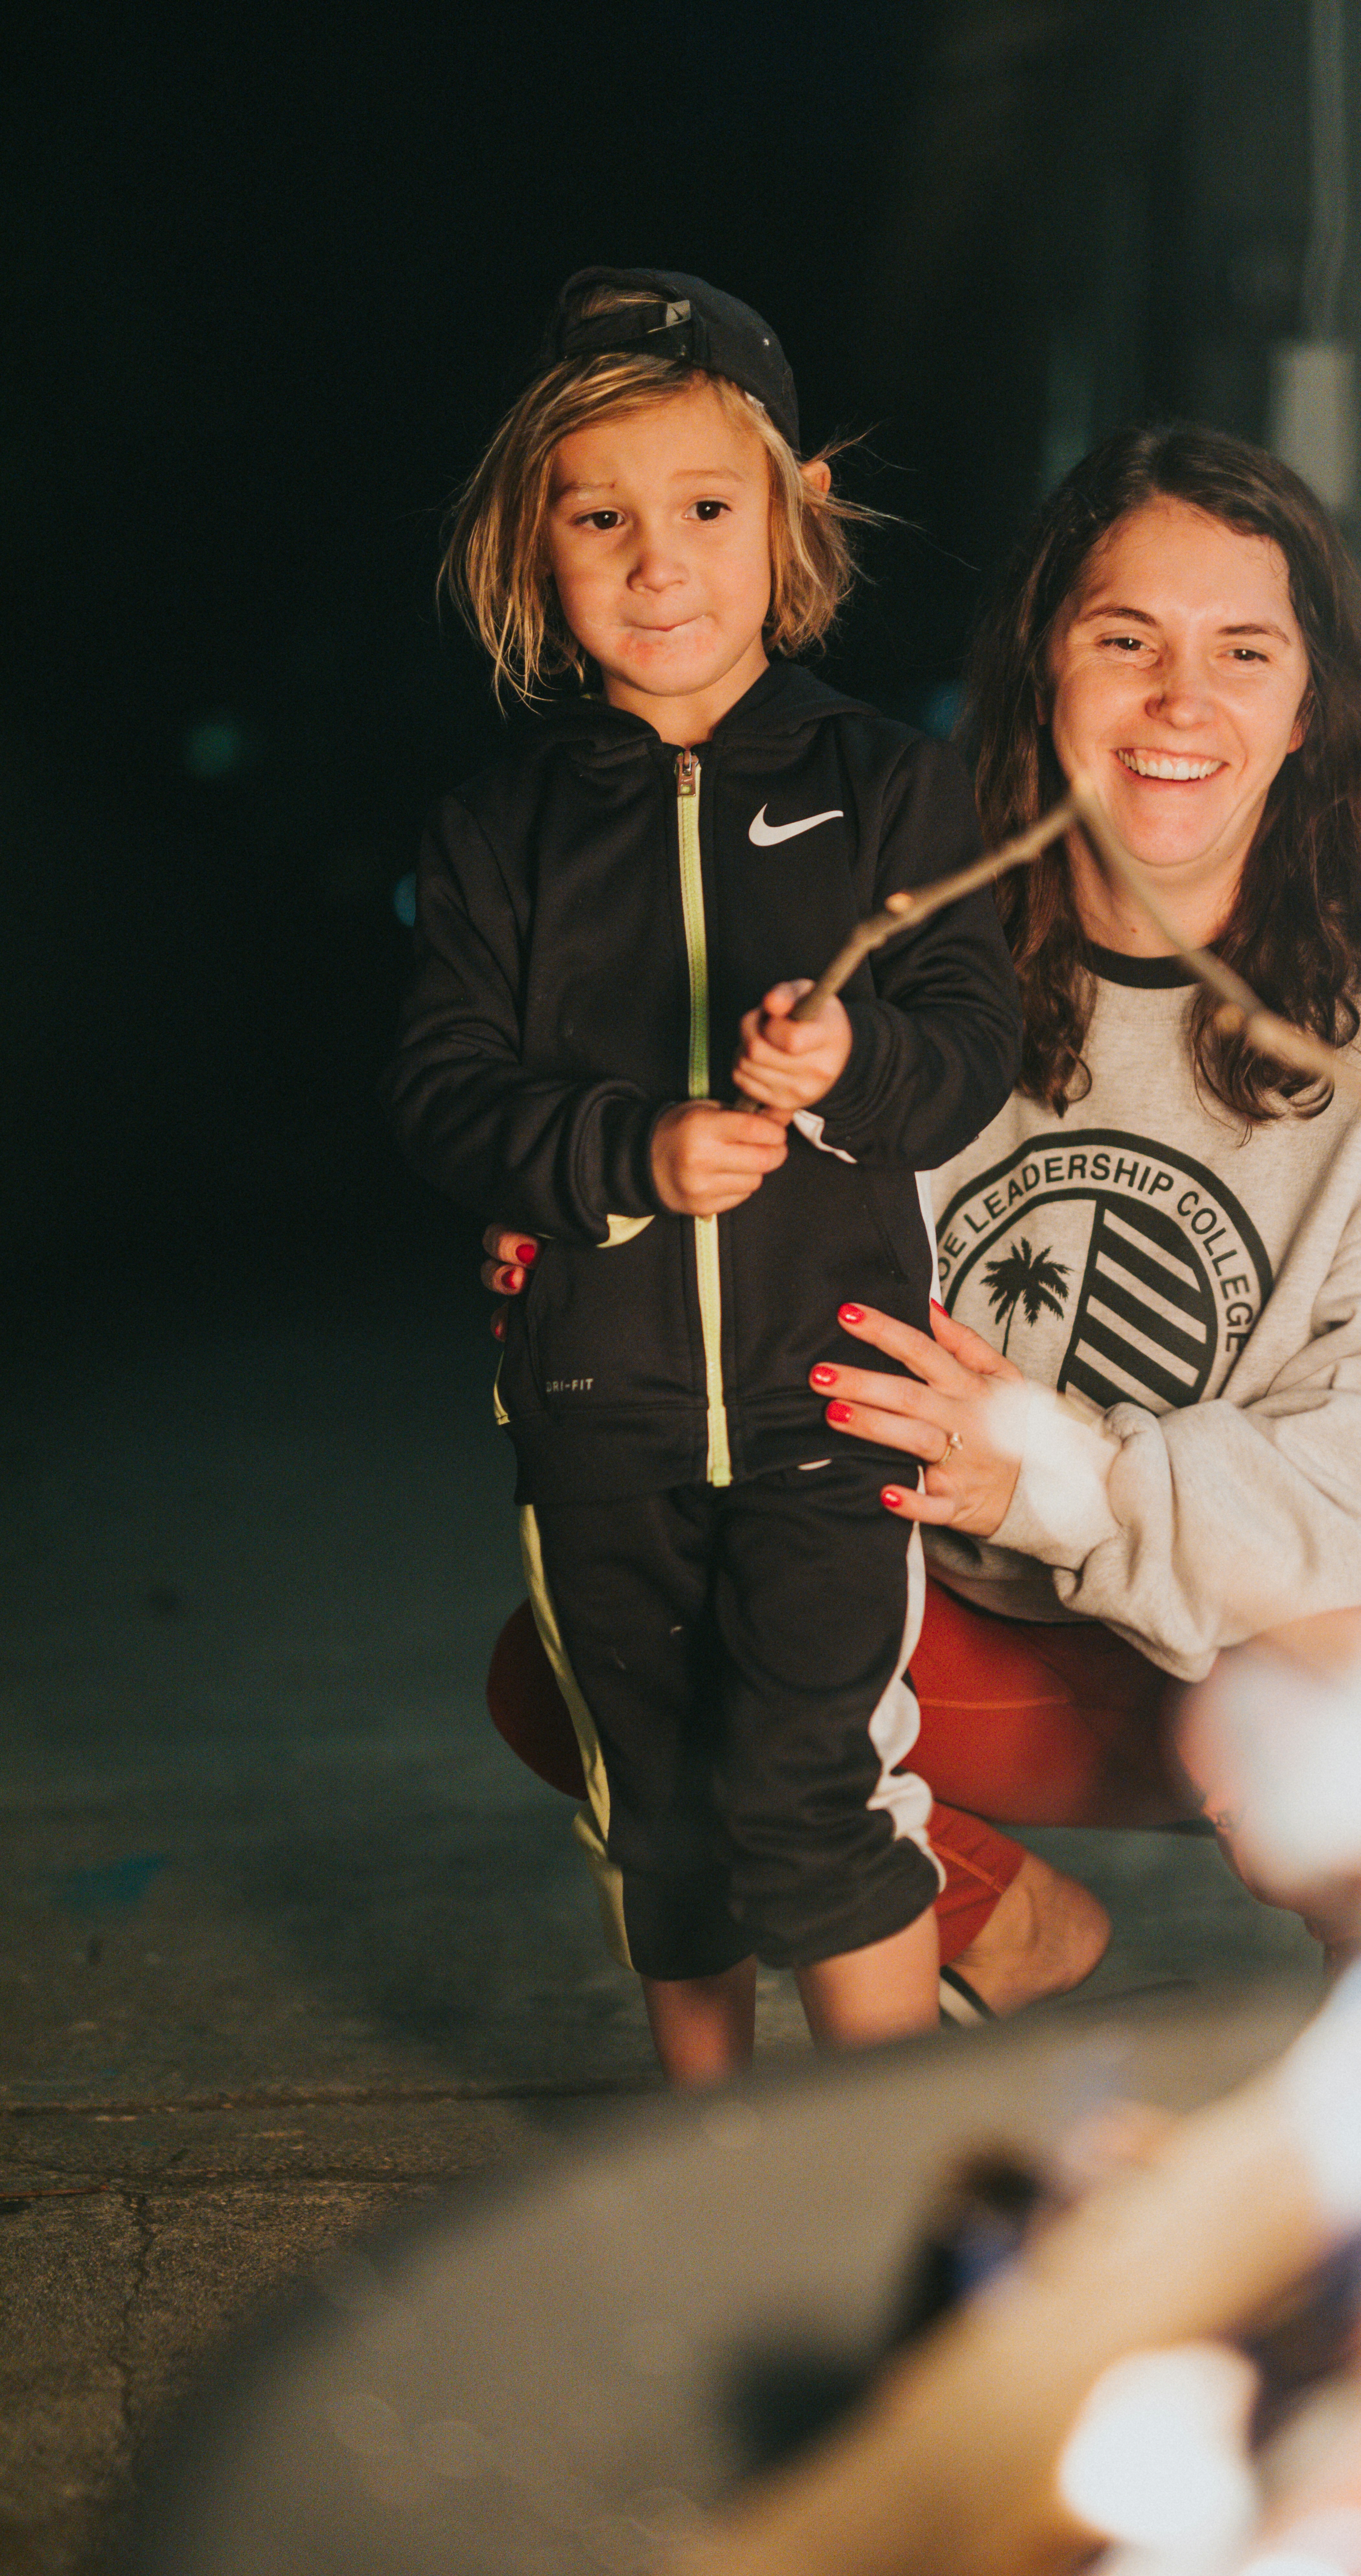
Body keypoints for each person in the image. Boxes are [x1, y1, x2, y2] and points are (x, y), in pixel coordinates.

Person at [476, 420, 1361, 2015]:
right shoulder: (903, 963)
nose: (1179, 701)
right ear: (1042, 676)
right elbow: (737, 1262)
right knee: (600, 1667)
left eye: (1242, 650)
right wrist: (598, 1208)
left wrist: (1073, 1474)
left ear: (1304, 709)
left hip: (1321, 1614)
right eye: (1124, 640)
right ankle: (1003, 1928)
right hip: (1010, 1620)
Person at [387, 267, 1022, 2083]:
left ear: (790, 517)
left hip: (832, 1403)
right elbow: (439, 1094)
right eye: (601, 518)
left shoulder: (892, 787)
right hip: (597, 1407)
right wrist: (627, 1152)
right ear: (533, 548)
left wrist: (852, 1065)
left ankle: (883, 2151)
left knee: (807, 1780)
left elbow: (966, 1045)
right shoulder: (496, 829)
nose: (657, 561)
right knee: (655, 1795)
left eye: (704, 509)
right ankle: (710, 2150)